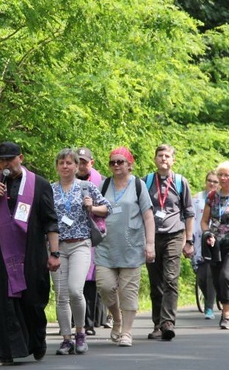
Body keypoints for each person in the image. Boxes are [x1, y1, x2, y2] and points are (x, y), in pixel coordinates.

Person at [0, 142, 60, 366]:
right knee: (0, 301)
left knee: (32, 302)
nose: (6, 164)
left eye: (10, 159)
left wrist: (55, 253)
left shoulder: (39, 185)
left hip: (30, 253)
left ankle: (37, 339)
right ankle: (3, 352)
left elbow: (51, 221)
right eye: (2, 161)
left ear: (20, 157)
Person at [51, 148, 111, 355]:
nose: (65, 166)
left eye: (69, 163)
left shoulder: (86, 187)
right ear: (57, 166)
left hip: (80, 244)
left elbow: (107, 208)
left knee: (76, 290)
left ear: (77, 166)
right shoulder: (50, 190)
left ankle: (80, 333)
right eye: (62, 163)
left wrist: (92, 207)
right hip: (57, 246)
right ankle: (66, 339)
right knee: (61, 295)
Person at [95, 147, 155, 347]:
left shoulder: (138, 185)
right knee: (104, 287)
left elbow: (148, 216)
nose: (116, 165)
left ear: (130, 165)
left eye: (120, 162)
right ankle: (116, 319)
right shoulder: (103, 185)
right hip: (106, 247)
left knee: (128, 291)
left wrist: (150, 244)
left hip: (132, 247)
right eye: (113, 162)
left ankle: (127, 332)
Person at [144, 144, 195, 341]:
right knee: (155, 282)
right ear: (155, 159)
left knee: (171, 279)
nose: (163, 159)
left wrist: (188, 240)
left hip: (174, 235)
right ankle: (157, 323)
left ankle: (168, 322)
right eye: (160, 156)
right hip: (152, 236)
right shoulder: (147, 181)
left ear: (173, 160)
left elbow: (189, 213)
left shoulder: (181, 182)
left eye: (167, 156)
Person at [201, 161, 229, 330]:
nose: (222, 178)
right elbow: (204, 222)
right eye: (220, 175)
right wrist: (208, 234)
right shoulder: (212, 196)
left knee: (227, 275)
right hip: (216, 243)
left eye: (226, 175)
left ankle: (226, 315)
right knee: (218, 279)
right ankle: (225, 302)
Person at [76, 146, 109, 334]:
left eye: (84, 162)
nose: (81, 166)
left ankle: (92, 321)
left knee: (93, 281)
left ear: (91, 163)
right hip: (74, 236)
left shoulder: (102, 182)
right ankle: (80, 321)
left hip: (97, 235)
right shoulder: (68, 181)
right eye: (78, 162)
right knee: (78, 280)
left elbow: (109, 207)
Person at [192, 170, 219, 319]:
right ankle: (211, 296)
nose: (212, 184)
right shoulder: (197, 198)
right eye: (210, 180)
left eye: (215, 181)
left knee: (210, 274)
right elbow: (192, 218)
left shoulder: (221, 198)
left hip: (214, 240)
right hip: (199, 240)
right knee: (201, 277)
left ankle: (209, 307)